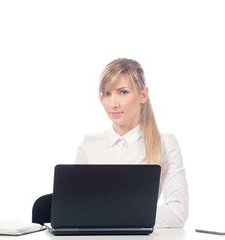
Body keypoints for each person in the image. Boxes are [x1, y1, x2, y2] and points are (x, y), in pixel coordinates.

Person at [75, 58, 189, 227]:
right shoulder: (90, 144)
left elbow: (177, 213)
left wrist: (113, 216)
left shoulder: (164, 144)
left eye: (123, 92)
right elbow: (75, 208)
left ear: (143, 95)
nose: (113, 104)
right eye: (106, 93)